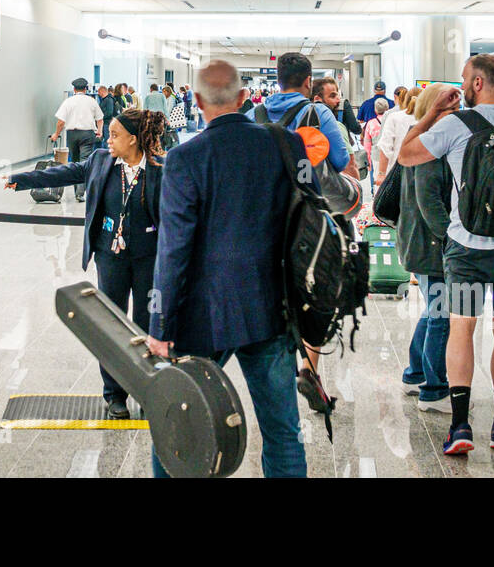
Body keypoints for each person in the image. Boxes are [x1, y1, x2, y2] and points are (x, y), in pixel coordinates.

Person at [147, 59, 311, 477]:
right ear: (244, 98)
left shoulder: (184, 158)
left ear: (197, 100)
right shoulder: (286, 144)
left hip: (201, 315)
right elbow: (308, 214)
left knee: (178, 426)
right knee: (282, 432)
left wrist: (159, 324)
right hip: (271, 307)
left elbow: (173, 250)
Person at [398, 54, 494, 455]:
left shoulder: (455, 125)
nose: (463, 85)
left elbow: (406, 154)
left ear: (479, 84)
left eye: (466, 79)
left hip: (467, 251)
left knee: (462, 329)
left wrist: (431, 112)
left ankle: (461, 426)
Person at [7, 107, 167, 419]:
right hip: (110, 257)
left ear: (134, 140)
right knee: (112, 325)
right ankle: (115, 395)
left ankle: (150, 390)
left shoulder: (162, 168)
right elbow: (65, 173)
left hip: (151, 259)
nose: (108, 140)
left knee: (148, 326)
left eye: (115, 135)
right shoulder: (100, 161)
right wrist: (24, 179)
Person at [261, 54, 359, 415]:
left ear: (277, 78)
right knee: (312, 291)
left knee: (272, 291)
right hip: (309, 222)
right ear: (308, 81)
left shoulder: (254, 116)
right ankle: (309, 369)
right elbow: (341, 162)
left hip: (265, 219)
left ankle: (273, 374)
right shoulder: (318, 115)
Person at [397, 84, 457, 412]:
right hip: (431, 245)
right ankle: (434, 391)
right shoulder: (430, 144)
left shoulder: (417, 137)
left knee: (433, 310)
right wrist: (451, 241)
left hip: (419, 241)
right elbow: (429, 200)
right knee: (441, 316)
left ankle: (414, 372)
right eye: (450, 107)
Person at [51, 77, 104, 202]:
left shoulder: (68, 102)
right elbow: (100, 119)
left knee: (74, 162)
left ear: (74, 89)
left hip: (72, 134)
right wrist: (100, 131)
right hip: (87, 134)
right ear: (85, 89)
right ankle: (80, 193)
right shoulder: (92, 101)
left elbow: (60, 122)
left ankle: (77, 191)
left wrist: (55, 134)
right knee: (84, 161)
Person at [376, 86, 417, 188]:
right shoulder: (429, 119)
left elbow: (385, 147)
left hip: (396, 171)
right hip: (421, 175)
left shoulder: (394, 117)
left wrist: (381, 174)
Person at [362, 97, 389, 177]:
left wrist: (368, 161)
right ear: (387, 108)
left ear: (375, 110)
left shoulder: (370, 124)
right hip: (390, 156)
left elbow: (367, 145)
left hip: (376, 157)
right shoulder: (391, 120)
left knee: (377, 181)